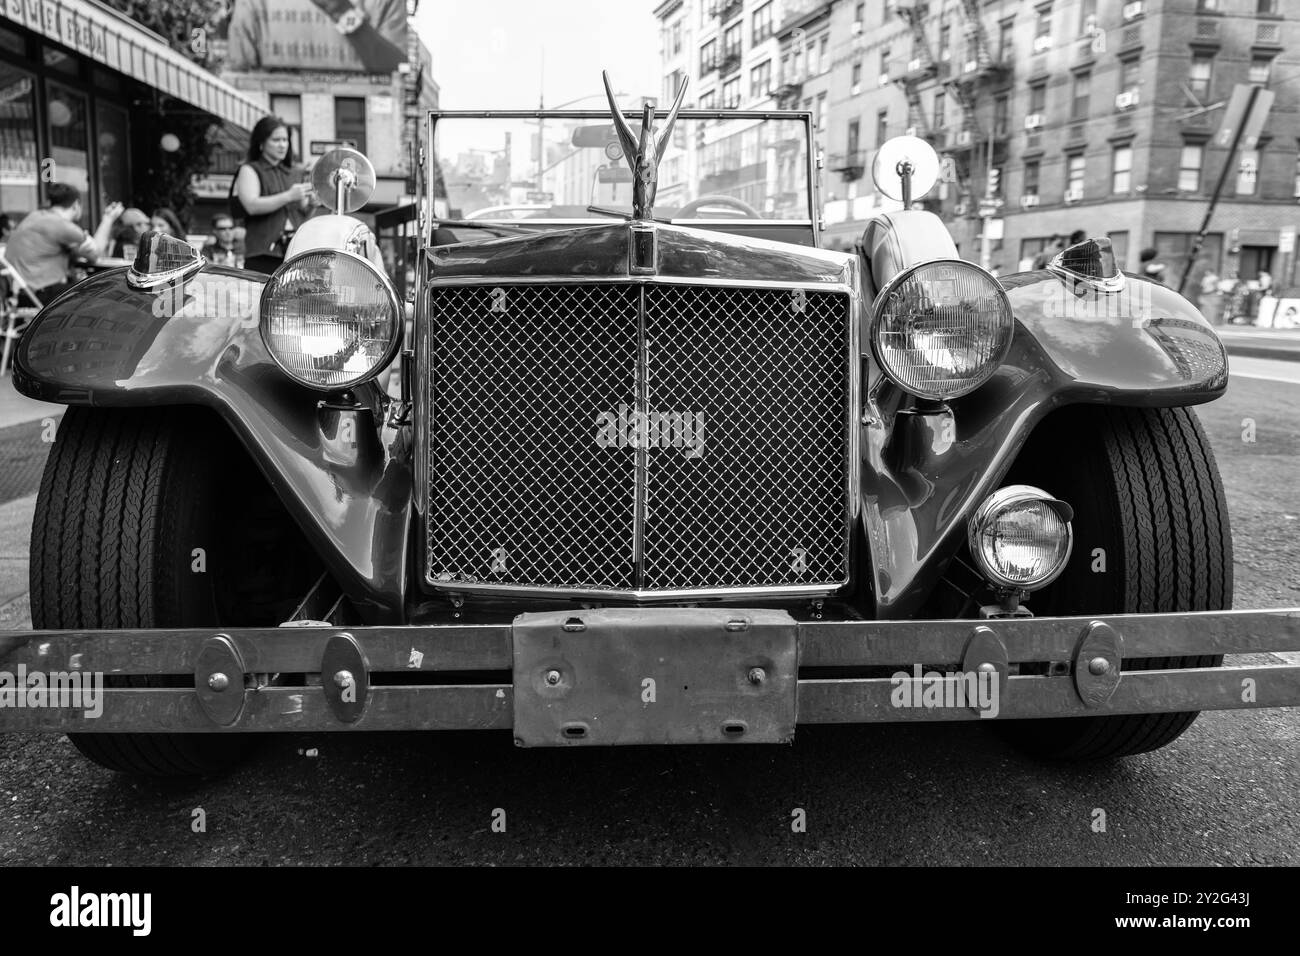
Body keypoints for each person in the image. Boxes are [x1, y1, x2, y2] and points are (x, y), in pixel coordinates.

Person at [3, 183, 123, 305]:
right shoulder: (63, 226)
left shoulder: (33, 217)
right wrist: (108, 219)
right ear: (76, 205)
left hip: (20, 294)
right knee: (105, 292)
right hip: (40, 295)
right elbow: (95, 254)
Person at [226, 0, 408, 74]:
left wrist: (341, 11)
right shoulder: (252, 4)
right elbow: (240, 70)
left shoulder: (385, 2)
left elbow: (397, 66)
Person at [233, 116, 313, 274]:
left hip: (295, 252)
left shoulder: (296, 171)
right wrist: (288, 196)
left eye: (285, 140)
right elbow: (251, 206)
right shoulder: (249, 169)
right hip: (262, 255)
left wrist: (312, 205)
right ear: (261, 143)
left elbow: (301, 214)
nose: (282, 145)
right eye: (276, 140)